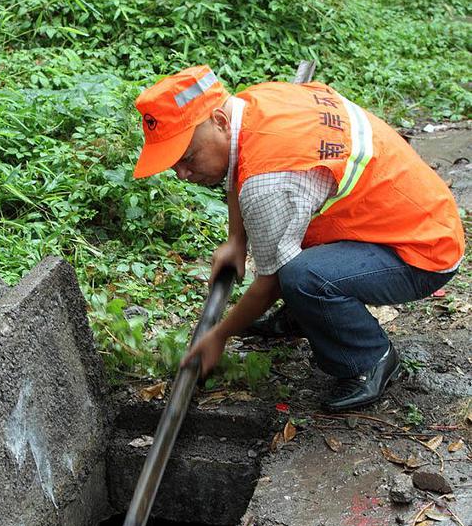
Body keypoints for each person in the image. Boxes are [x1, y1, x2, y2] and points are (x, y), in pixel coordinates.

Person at [132, 65, 464, 411]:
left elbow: (272, 280)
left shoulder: (270, 181)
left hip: (422, 250)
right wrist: (236, 241)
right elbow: (239, 167)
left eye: (187, 158)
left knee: (301, 277)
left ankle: (368, 358)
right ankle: (305, 316)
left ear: (219, 121)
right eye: (174, 165)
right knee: (291, 250)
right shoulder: (253, 105)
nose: (183, 173)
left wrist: (218, 335)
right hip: (410, 214)